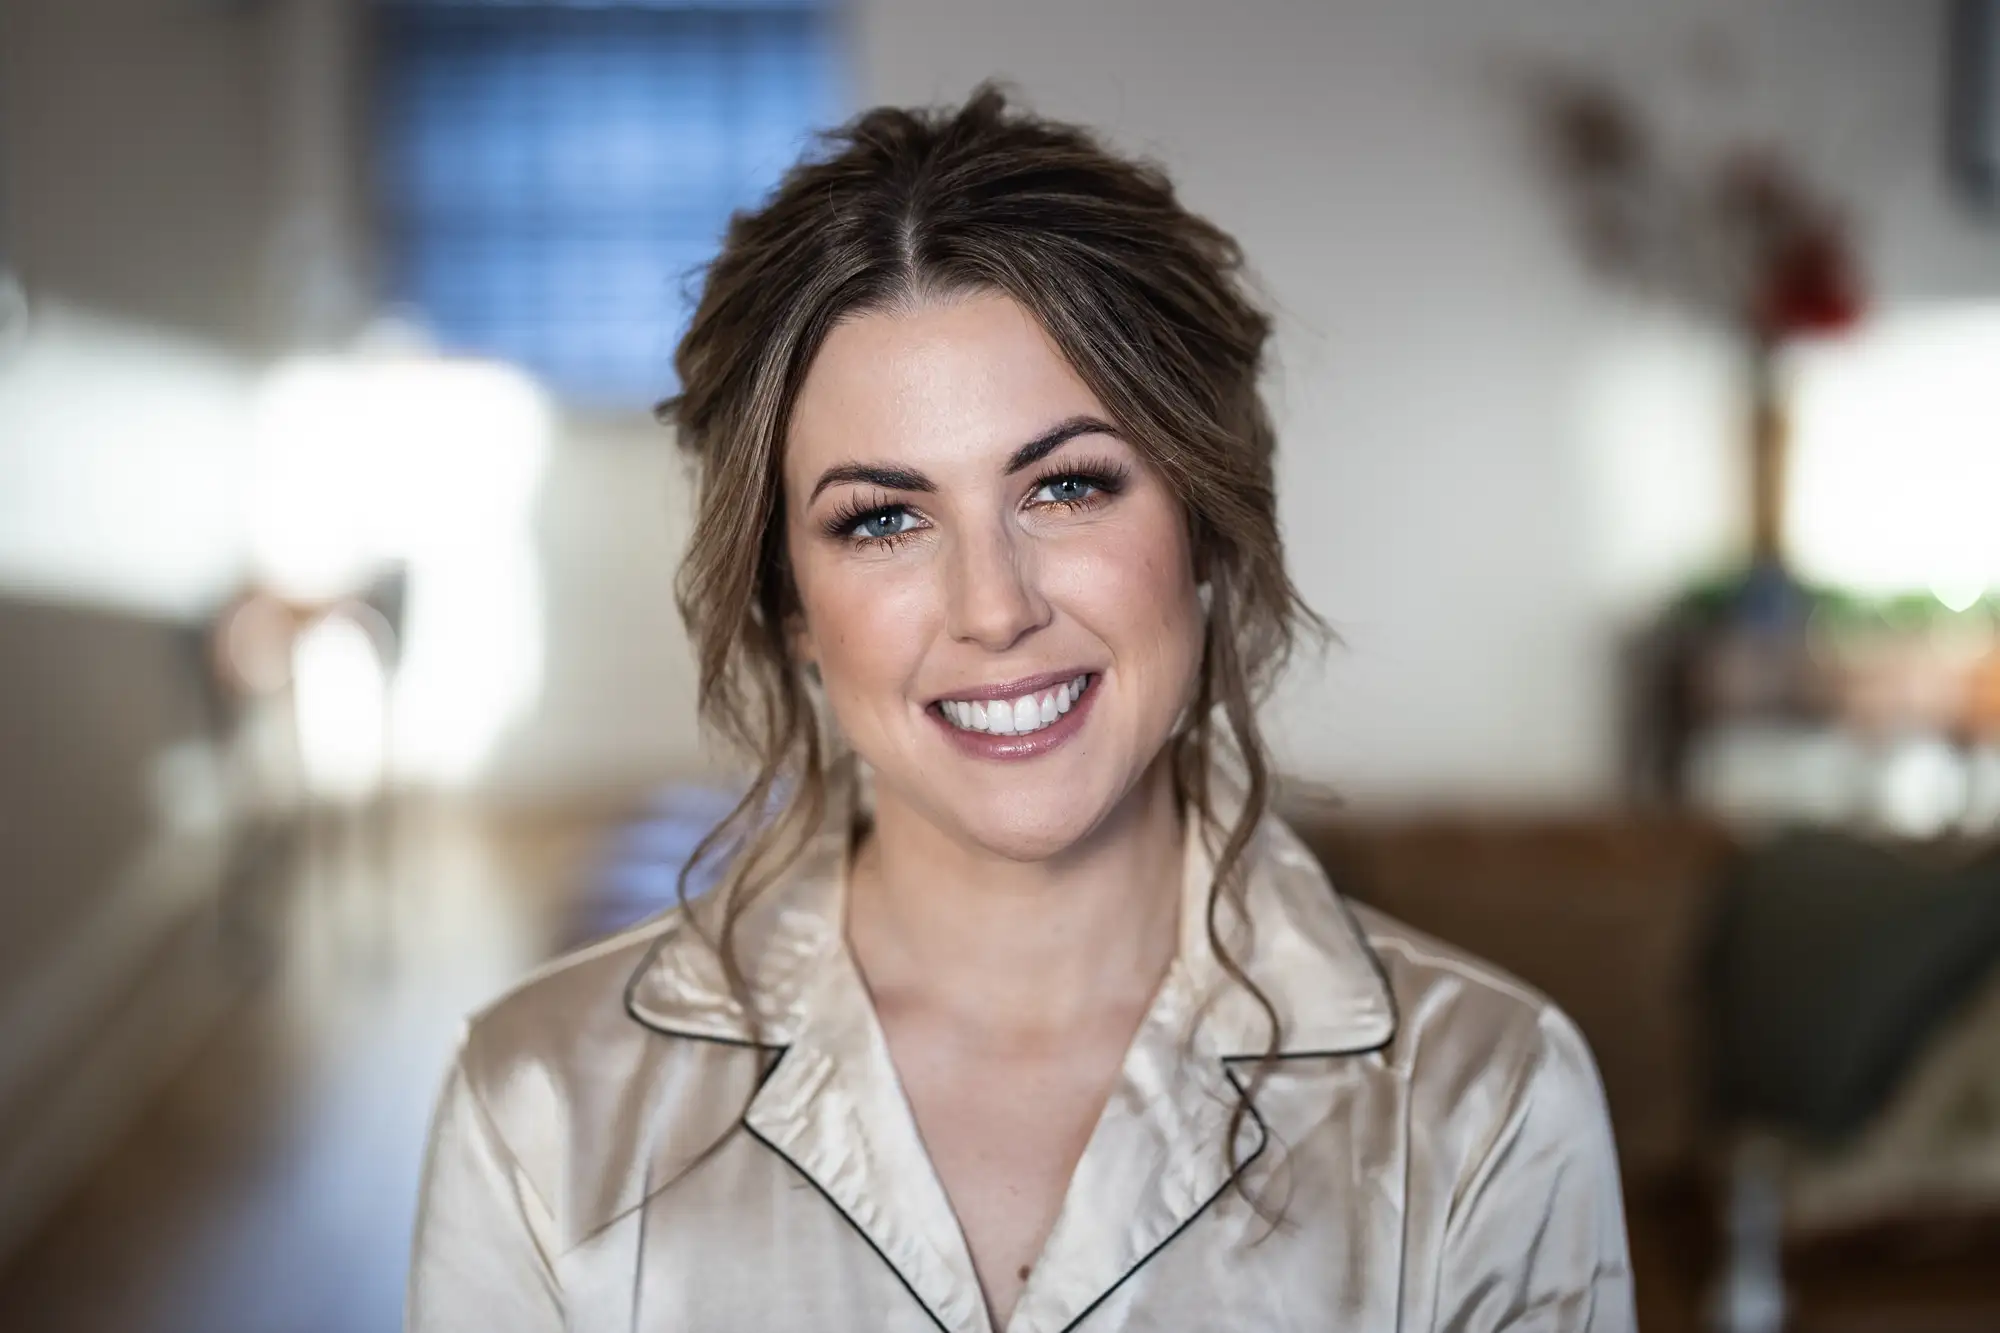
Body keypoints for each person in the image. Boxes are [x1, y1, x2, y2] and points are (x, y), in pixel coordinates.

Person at [406, 86, 1635, 1333]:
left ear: (1200, 519)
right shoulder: (542, 1104)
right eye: (880, 519)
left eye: (1066, 486)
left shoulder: (1485, 1099)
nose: (991, 607)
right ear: (789, 605)